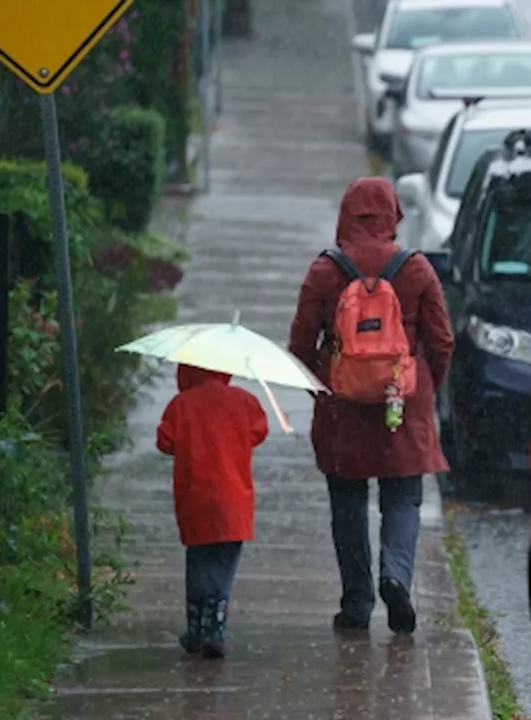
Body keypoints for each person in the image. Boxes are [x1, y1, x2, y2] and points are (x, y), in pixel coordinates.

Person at [288, 177, 455, 635]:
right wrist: (420, 391)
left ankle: (357, 604)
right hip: (400, 404)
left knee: (348, 505)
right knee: (403, 498)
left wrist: (325, 390)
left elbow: (300, 345)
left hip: (342, 408)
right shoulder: (416, 270)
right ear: (391, 216)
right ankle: (395, 576)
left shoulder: (325, 272)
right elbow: (442, 342)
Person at [157, 364, 269, 659]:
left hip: (195, 498)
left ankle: (195, 627)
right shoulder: (243, 401)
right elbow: (260, 430)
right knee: (224, 562)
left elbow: (165, 441)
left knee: (198, 561)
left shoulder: (181, 405)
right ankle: (215, 626)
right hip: (233, 499)